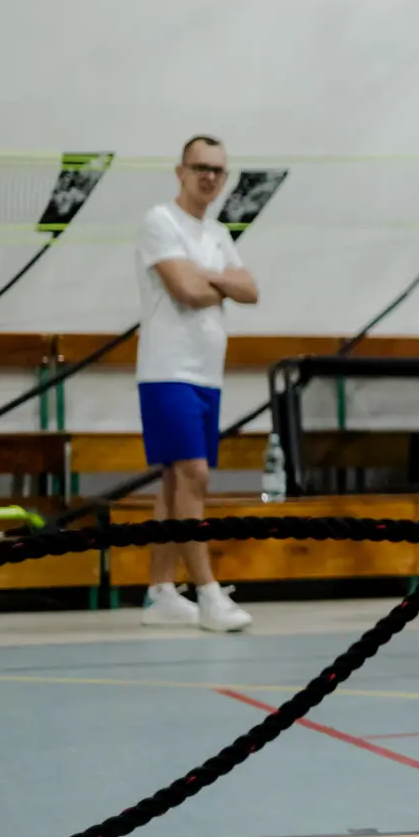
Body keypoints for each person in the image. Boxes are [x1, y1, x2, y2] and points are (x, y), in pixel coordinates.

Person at [135, 135, 257, 633]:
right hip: (169, 371)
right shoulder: (159, 221)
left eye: (217, 171)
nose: (209, 177)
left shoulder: (217, 232)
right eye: (200, 167)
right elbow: (185, 289)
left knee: (174, 482)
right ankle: (207, 592)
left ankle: (161, 591)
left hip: (207, 374)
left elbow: (250, 289)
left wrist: (211, 278)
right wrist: (215, 282)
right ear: (180, 171)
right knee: (195, 475)